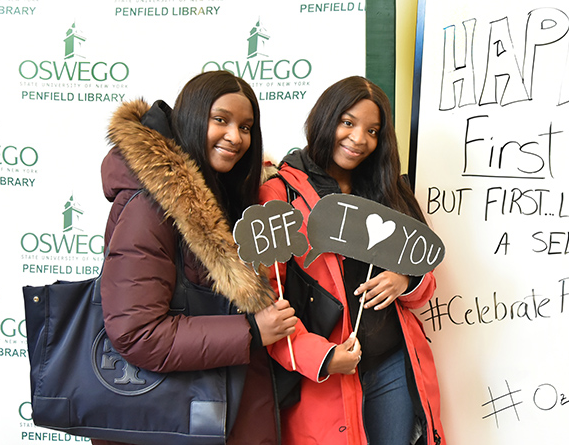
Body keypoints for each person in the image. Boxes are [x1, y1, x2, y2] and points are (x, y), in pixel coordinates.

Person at [95, 71, 297, 445]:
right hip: (178, 418)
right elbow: (136, 333)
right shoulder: (150, 206)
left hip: (223, 409)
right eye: (220, 120)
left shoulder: (228, 196)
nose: (235, 137)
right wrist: (251, 331)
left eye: (246, 126)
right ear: (191, 118)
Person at [260, 76, 446, 445]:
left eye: (372, 130)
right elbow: (265, 301)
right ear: (325, 119)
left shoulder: (387, 190)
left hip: (392, 362)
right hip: (326, 376)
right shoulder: (279, 192)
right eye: (348, 122)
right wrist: (323, 358)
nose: (359, 139)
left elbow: (426, 277)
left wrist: (403, 280)